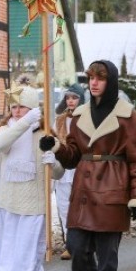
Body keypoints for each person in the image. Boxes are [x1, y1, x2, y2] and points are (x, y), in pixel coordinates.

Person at [39, 60, 136, 271]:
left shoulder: (128, 116)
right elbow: (73, 157)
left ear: (110, 81)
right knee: (76, 250)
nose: (94, 82)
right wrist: (56, 146)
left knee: (107, 258)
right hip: (84, 192)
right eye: (91, 78)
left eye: (100, 78)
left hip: (114, 190)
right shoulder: (79, 115)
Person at [0, 84, 64, 271]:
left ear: (32, 108)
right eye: (14, 107)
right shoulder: (6, 131)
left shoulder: (44, 136)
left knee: (27, 259)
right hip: (8, 205)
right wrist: (24, 121)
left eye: (22, 107)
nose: (17, 112)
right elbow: (0, 145)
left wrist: (52, 159)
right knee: (10, 258)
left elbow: (59, 173)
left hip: (33, 207)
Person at [53, 83, 86, 261]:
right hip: (64, 169)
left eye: (74, 98)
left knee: (81, 206)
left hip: (81, 166)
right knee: (64, 207)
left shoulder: (87, 118)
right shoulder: (59, 120)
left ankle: (84, 242)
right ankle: (70, 245)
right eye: (68, 98)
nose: (71, 101)